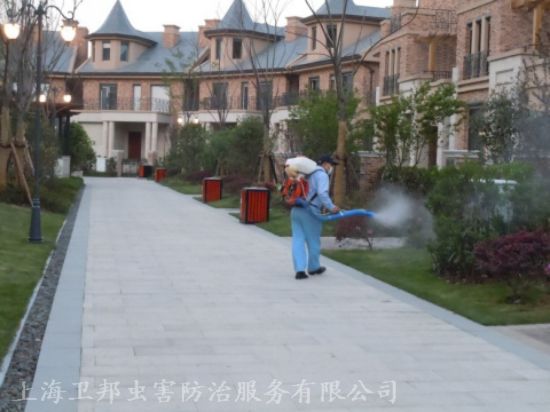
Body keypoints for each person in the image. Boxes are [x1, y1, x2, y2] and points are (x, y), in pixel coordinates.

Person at [290, 154, 340, 280]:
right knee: (313, 240)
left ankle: (300, 270)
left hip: (296, 209)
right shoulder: (321, 175)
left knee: (298, 240)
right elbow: (322, 193)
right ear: (325, 164)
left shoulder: (305, 174)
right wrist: (331, 207)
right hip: (310, 211)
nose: (331, 168)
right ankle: (313, 267)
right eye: (331, 165)